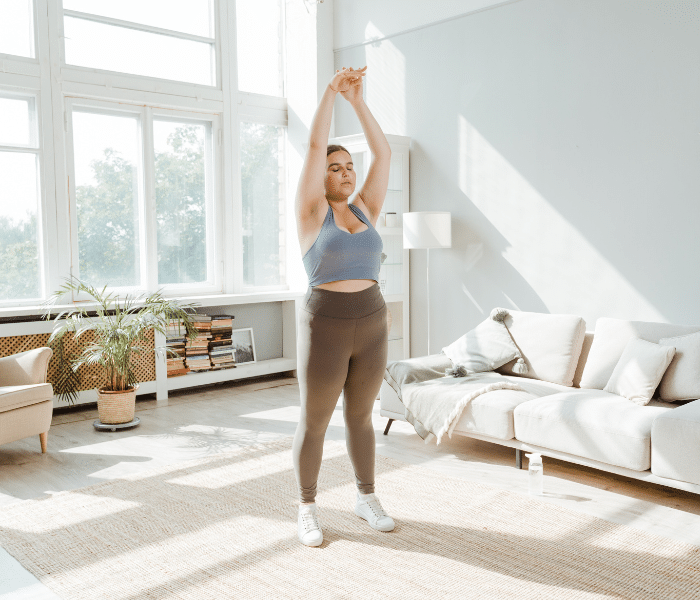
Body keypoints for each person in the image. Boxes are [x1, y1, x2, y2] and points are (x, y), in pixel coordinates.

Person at [293, 66, 394, 547]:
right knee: (315, 421)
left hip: (372, 321)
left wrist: (357, 101)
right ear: (322, 175)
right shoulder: (311, 214)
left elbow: (384, 151)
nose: (345, 172)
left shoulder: (365, 209)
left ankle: (365, 496)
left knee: (361, 417)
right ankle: (308, 507)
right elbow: (315, 148)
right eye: (335, 167)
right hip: (326, 324)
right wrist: (331, 92)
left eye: (348, 166)